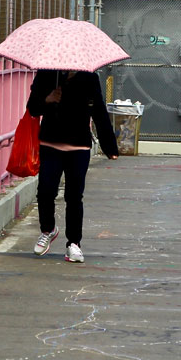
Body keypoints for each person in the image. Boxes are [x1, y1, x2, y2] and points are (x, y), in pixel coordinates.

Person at [26, 68, 119, 263]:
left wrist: (109, 146)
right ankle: (48, 229)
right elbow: (33, 108)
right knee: (45, 191)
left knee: (74, 196)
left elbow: (99, 111)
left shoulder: (89, 77)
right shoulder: (47, 74)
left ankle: (74, 244)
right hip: (50, 143)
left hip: (79, 145)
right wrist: (48, 99)